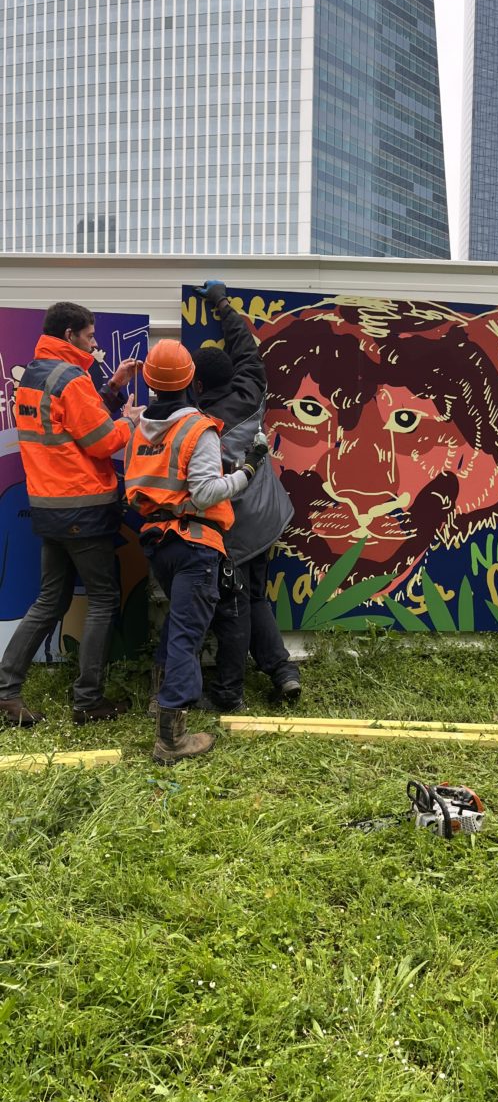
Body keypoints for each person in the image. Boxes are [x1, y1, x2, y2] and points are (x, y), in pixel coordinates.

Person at [124, 338, 267, 764]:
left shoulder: (139, 429)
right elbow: (205, 493)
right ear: (191, 380)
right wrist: (248, 470)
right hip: (195, 544)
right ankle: (171, 738)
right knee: (188, 634)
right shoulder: (196, 428)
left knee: (178, 622)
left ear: (151, 382)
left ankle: (160, 699)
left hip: (160, 543)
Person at [0, 301, 142, 726]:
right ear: (70, 335)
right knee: (103, 599)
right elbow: (101, 441)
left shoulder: (34, 376)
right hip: (84, 508)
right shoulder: (74, 380)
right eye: (90, 336)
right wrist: (130, 421)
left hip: (49, 508)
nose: (94, 344)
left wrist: (112, 389)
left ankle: (6, 690)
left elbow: (71, 423)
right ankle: (88, 701)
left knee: (50, 599)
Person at [192, 279, 301, 712]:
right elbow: (247, 350)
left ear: (197, 385)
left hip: (233, 529)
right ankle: (283, 671)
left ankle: (230, 691)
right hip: (268, 516)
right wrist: (221, 303)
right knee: (255, 597)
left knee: (236, 607)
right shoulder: (251, 391)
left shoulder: (196, 424)